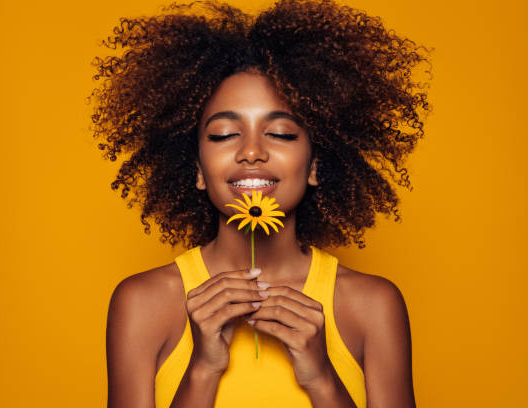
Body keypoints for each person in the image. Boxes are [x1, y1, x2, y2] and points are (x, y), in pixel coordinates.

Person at [89, 0, 431, 407]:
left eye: (282, 134)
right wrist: (203, 368)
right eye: (223, 135)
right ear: (197, 169)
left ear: (315, 166)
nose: (252, 151)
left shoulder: (373, 306)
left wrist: (322, 378)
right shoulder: (142, 304)